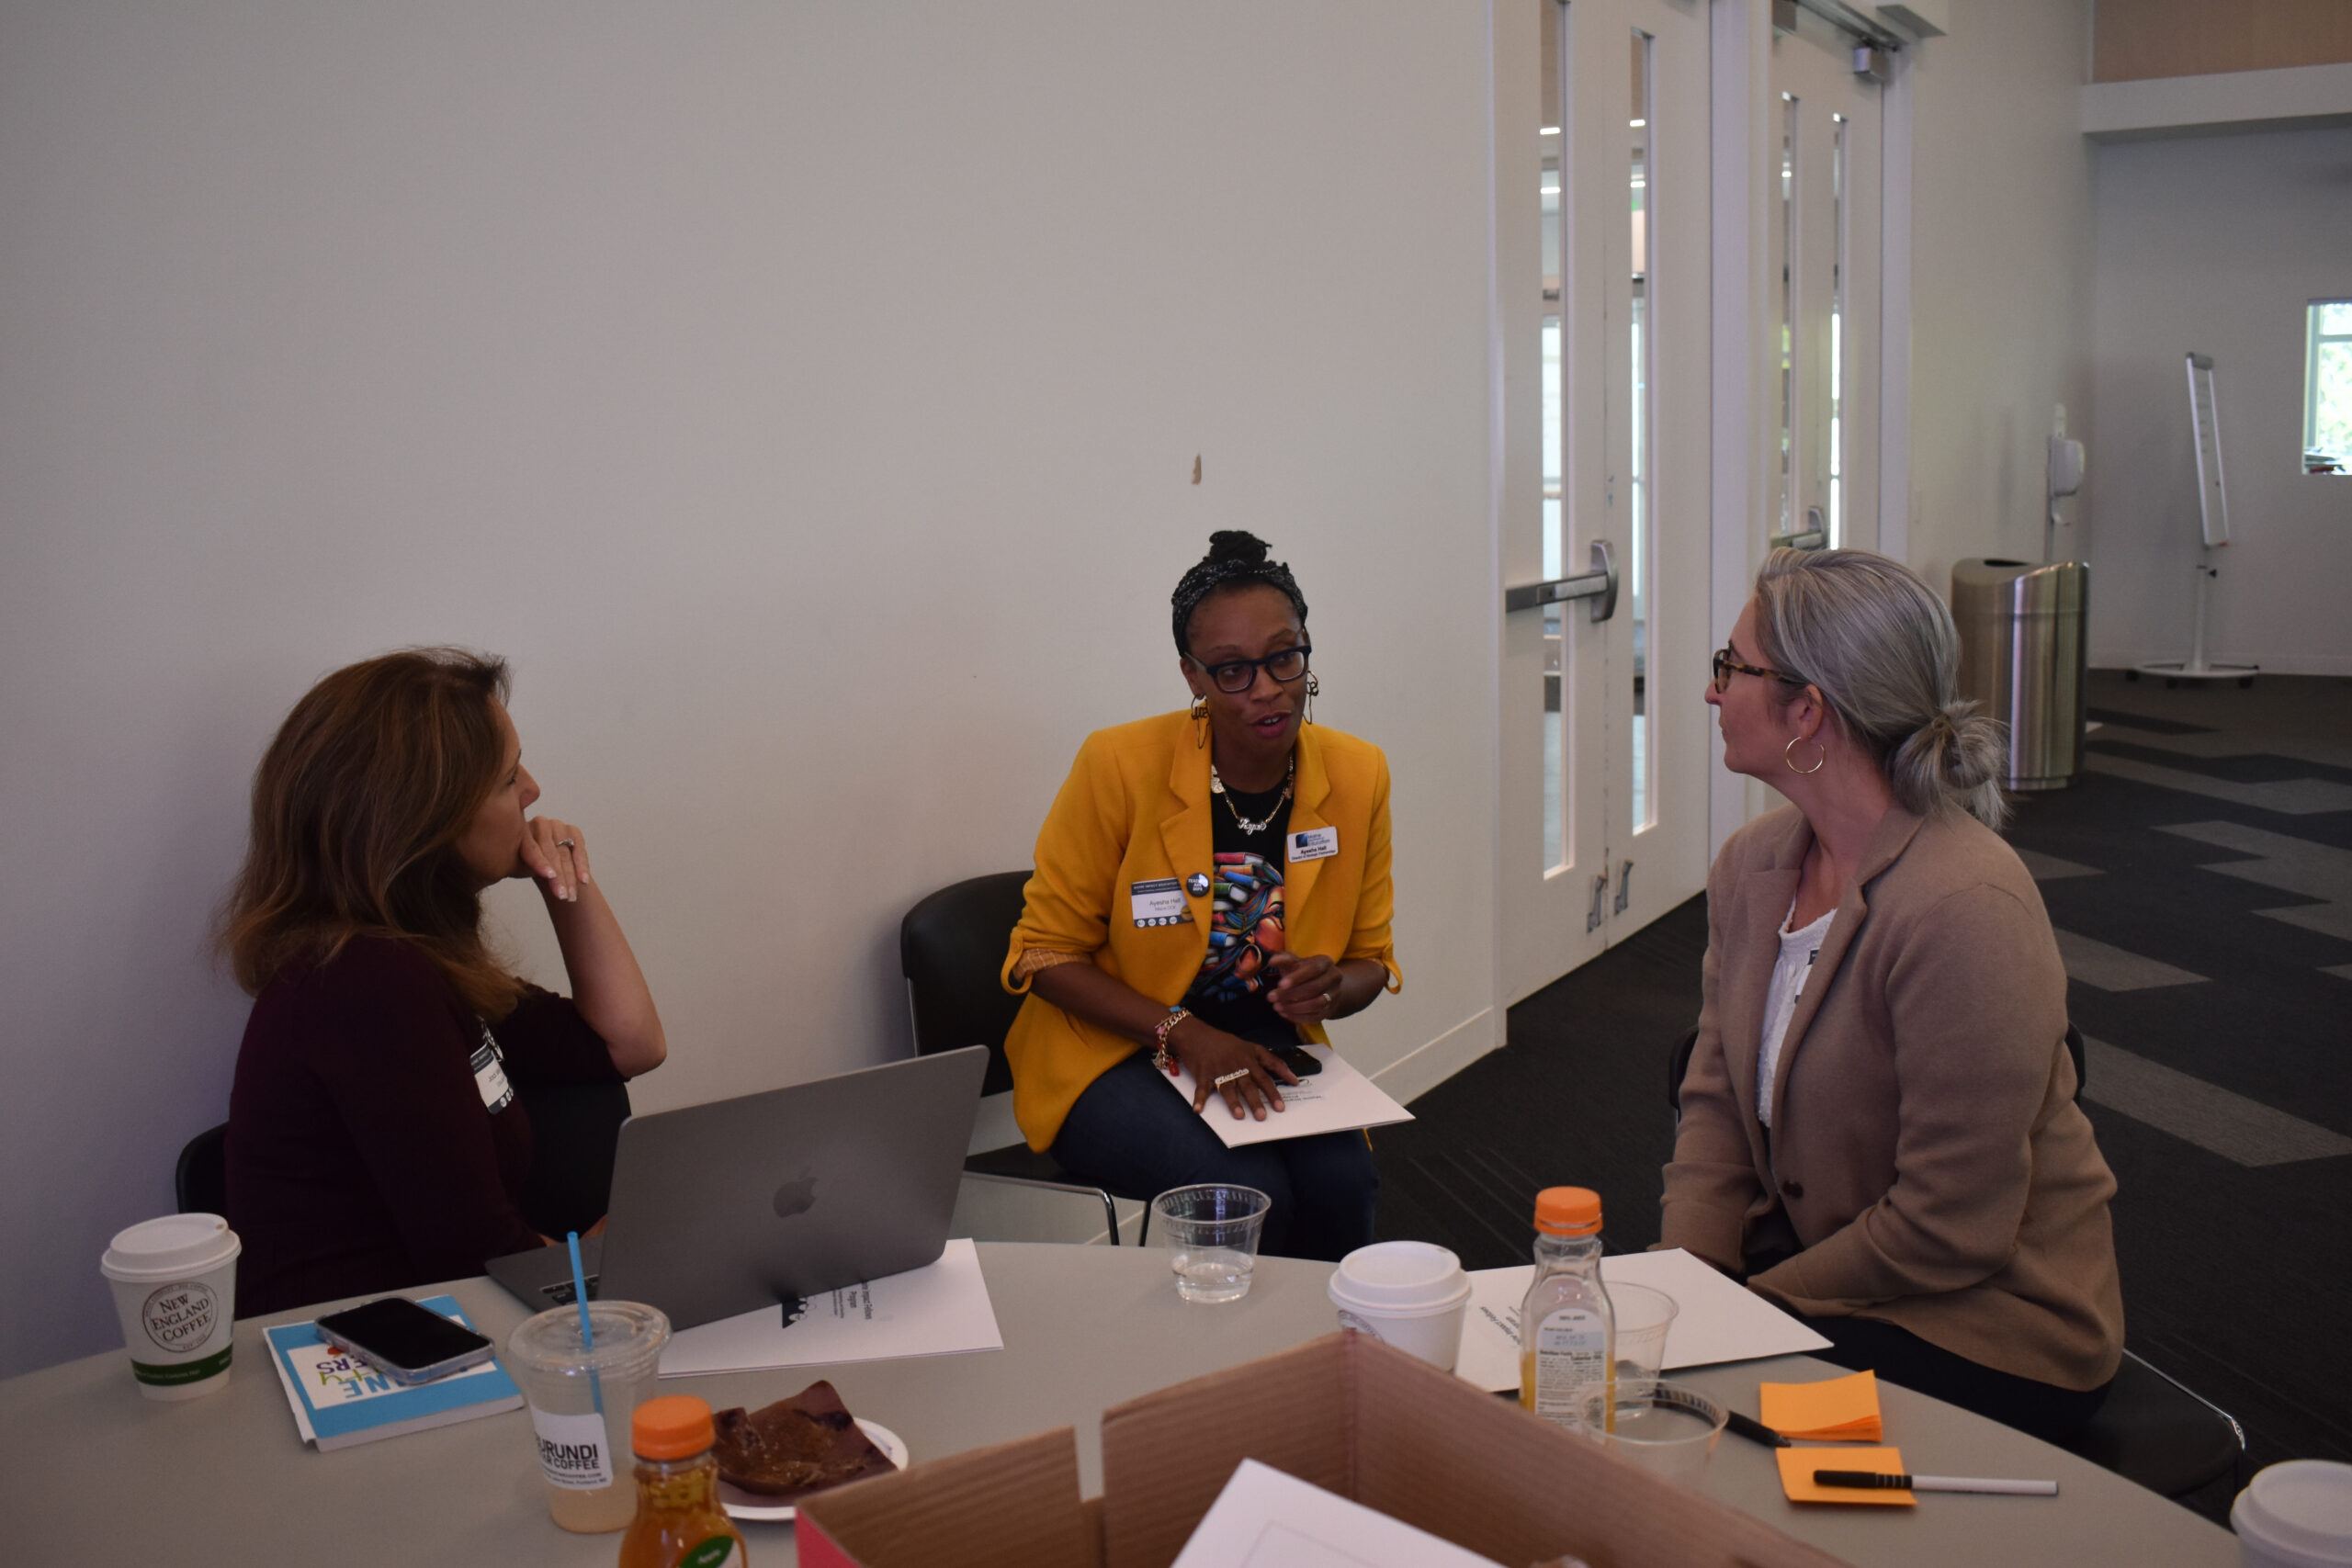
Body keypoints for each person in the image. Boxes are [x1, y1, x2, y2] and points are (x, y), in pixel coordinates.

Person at [1661, 547, 2122, 1444]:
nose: (1712, 693)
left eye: (1730, 668)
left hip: (1986, 1325)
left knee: (1716, 1430)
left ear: (1809, 712)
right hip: (1822, 1263)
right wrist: (1684, 1281)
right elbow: (1714, 1105)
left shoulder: (1963, 907)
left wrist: (1742, 1310)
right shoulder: (1752, 866)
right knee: (1626, 1374)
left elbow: (1952, 1227)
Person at [220, 649, 666, 1315]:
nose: (534, 790)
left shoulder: (415, 961)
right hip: (369, 1373)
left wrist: (568, 880)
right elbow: (485, 1257)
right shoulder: (362, 984)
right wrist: (615, 1262)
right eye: (507, 778)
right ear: (427, 818)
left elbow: (629, 1043)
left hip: (434, 1334)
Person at [1001, 531, 1399, 1260]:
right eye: (1232, 670)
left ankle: (1333, 1360)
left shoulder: (1357, 773)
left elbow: (1372, 959)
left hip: (1259, 1043)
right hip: (1114, 1047)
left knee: (1345, 1181)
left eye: (1285, 656)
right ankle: (1232, 1366)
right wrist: (1184, 1032)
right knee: (1237, 1184)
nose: (1268, 687)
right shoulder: (1119, 765)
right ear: (1193, 677)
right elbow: (1044, 953)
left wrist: (1333, 985)